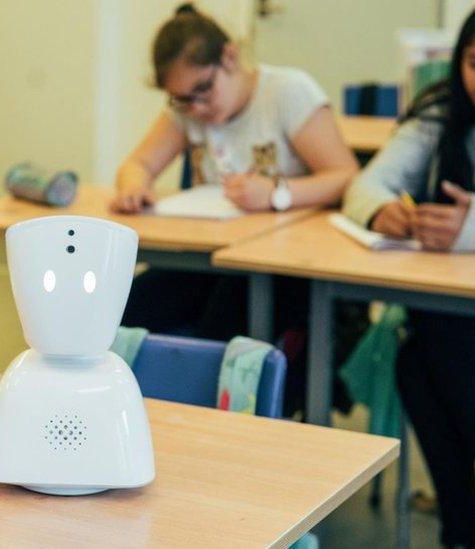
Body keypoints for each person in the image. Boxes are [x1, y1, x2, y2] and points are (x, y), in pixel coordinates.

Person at [343, 1, 475, 546]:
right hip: (461, 320)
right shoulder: (441, 112)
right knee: (426, 345)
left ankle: (468, 530)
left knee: (428, 340)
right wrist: (384, 211)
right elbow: (365, 184)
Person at [115, 3, 358, 349]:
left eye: (203, 90)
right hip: (210, 257)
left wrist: (277, 193)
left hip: (281, 264)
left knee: (218, 334)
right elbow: (136, 165)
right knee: (118, 313)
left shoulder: (287, 91)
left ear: (229, 58)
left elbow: (345, 176)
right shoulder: (187, 110)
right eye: (182, 100)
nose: (197, 109)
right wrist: (134, 187)